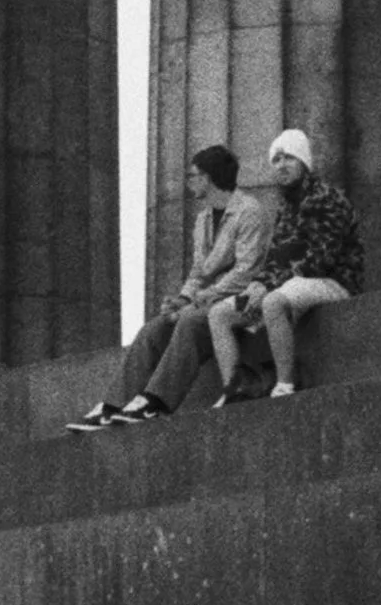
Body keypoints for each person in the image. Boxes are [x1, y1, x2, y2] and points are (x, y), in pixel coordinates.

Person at [70, 142, 279, 431]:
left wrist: (198, 302)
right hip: (208, 300)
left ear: (208, 178)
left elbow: (246, 271)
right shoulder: (203, 219)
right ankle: (112, 405)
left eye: (193, 176)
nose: (189, 182)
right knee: (154, 329)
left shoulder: (249, 211)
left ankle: (156, 401)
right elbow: (198, 272)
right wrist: (182, 299)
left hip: (240, 300)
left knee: (190, 323)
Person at [210, 126, 363, 402]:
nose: (281, 166)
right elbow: (276, 258)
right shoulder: (286, 208)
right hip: (292, 284)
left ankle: (285, 384)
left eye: (289, 158)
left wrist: (268, 288)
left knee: (273, 302)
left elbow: (320, 259)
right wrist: (258, 284)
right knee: (219, 314)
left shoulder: (328, 199)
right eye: (276, 160)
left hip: (335, 282)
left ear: (304, 163)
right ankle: (236, 388)